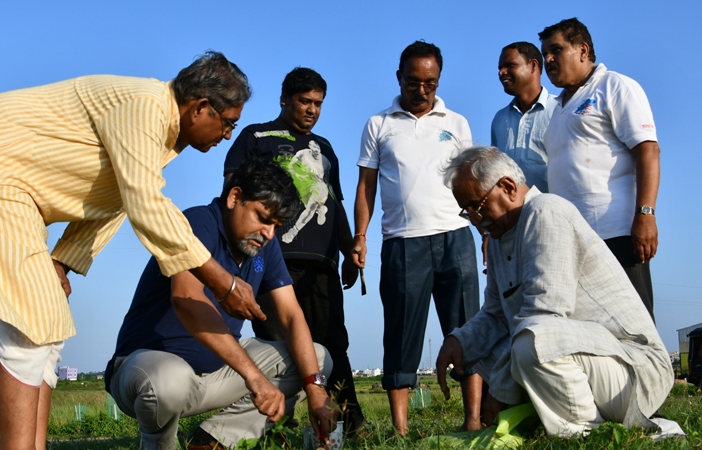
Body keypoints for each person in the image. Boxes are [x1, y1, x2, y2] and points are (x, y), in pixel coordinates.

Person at [0, 51, 261, 450]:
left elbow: (109, 200)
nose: (228, 135)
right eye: (227, 123)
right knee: (28, 326)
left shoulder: (160, 138)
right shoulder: (144, 107)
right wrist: (223, 282)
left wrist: (63, 262)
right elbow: (145, 204)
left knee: (48, 329)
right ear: (200, 107)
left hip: (11, 187)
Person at [435, 146, 675, 437]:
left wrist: (498, 394)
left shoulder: (546, 211)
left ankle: (588, 433)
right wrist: (459, 341)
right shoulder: (499, 239)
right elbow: (497, 314)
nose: (475, 220)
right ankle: (559, 423)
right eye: (467, 212)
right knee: (485, 350)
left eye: (477, 206)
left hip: (634, 370)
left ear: (508, 187)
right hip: (587, 361)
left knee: (530, 340)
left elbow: (544, 315)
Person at [106, 159, 337, 450]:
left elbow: (291, 315)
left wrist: (315, 389)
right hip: (148, 370)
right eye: (263, 218)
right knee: (169, 380)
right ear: (235, 197)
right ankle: (157, 444)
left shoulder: (264, 246)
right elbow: (186, 299)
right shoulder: (199, 223)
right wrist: (254, 377)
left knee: (317, 358)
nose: (268, 233)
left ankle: (213, 440)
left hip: (217, 373)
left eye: (276, 226)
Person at [223, 67, 363, 433]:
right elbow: (231, 196)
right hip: (270, 260)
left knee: (332, 343)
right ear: (285, 99)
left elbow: (336, 203)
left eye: (318, 103)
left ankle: (348, 423)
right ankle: (278, 428)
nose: (311, 110)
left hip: (321, 263)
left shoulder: (326, 148)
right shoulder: (256, 136)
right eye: (304, 101)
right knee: (275, 346)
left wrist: (349, 251)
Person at [353, 40, 482, 434]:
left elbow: (474, 181)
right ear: (399, 78)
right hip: (403, 242)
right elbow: (365, 187)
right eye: (414, 82)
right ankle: (400, 430)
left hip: (456, 237)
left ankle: (474, 420)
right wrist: (360, 234)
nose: (422, 90)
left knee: (469, 331)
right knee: (401, 334)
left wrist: (486, 230)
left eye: (431, 83)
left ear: (438, 80)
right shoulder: (379, 124)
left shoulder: (456, 123)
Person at [539, 18, 660, 319]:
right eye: (544, 55)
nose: (548, 60)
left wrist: (645, 216)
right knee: (591, 332)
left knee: (635, 327)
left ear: (583, 50)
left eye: (556, 50)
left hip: (616, 233)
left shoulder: (614, 86)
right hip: (573, 242)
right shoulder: (558, 109)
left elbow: (648, 149)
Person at [491, 42, 558, 193]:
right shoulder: (500, 119)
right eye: (500, 68)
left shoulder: (560, 110)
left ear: (533, 65)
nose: (502, 72)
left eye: (510, 65)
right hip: (513, 214)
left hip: (552, 211)